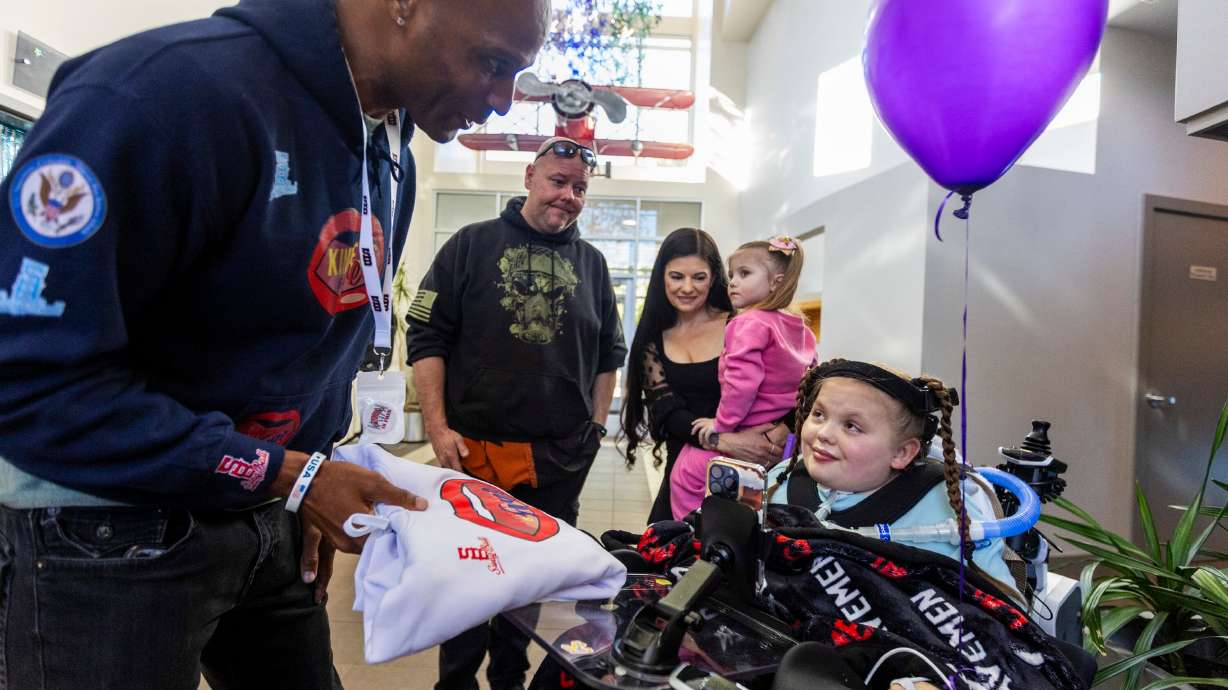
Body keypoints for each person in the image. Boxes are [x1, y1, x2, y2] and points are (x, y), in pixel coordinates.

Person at [0, 0, 550, 687]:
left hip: (268, 514)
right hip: (109, 528)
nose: (500, 103)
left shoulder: (389, 146)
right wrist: (289, 474)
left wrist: (304, 472)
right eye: (492, 64)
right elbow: (27, 385)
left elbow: (319, 334)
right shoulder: (162, 94)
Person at [406, 135, 627, 690]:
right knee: (466, 580)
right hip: (472, 456)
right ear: (528, 177)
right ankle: (455, 682)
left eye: (579, 188)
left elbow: (608, 357)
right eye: (558, 182)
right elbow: (426, 336)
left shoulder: (594, 265)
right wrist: (437, 428)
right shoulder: (470, 245)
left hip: (556, 461)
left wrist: (596, 429)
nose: (569, 196)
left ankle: (510, 676)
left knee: (527, 584)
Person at [766, 358, 1017, 593]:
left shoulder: (949, 509)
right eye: (819, 414)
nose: (824, 434)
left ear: (902, 452)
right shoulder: (783, 480)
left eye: (851, 426)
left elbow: (1003, 612)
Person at [620, 228, 789, 523]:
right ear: (662, 277)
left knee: (737, 555)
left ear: (714, 277)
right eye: (677, 276)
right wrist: (723, 441)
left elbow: (795, 385)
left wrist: (783, 431)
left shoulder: (744, 324)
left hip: (750, 474)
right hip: (684, 478)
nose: (687, 287)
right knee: (671, 559)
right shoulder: (653, 339)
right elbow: (666, 411)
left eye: (698, 277)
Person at [670, 236, 816, 519]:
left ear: (776, 281)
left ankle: (690, 534)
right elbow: (811, 383)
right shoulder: (801, 328)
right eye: (732, 274)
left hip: (742, 431)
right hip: (780, 444)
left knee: (686, 472)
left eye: (744, 274)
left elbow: (741, 385)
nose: (733, 282)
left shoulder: (747, 323)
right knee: (749, 507)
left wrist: (721, 425)